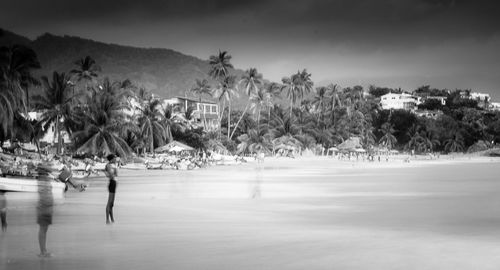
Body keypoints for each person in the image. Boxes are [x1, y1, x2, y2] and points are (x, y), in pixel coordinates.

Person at [36, 161, 55, 258]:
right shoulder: (43, 179)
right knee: (43, 229)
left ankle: (43, 250)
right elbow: (44, 195)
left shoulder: (44, 179)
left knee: (44, 229)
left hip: (46, 207)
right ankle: (43, 252)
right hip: (44, 207)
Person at [104, 154, 118, 224]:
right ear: (112, 159)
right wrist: (112, 174)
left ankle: (112, 219)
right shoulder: (109, 165)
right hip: (112, 183)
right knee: (109, 203)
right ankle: (107, 220)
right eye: (115, 158)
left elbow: (107, 173)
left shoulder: (111, 165)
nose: (116, 159)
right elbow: (111, 175)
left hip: (113, 183)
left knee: (112, 203)